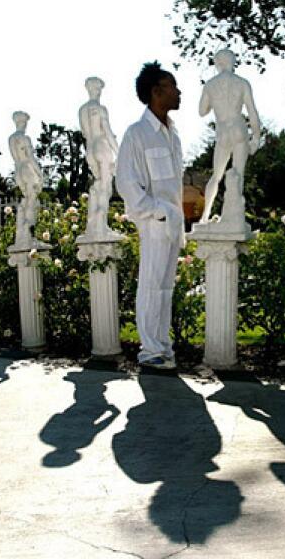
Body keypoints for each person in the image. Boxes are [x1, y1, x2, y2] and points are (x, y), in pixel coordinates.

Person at [116, 61, 183, 369]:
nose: (178, 92)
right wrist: (156, 211)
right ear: (157, 92)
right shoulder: (137, 134)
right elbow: (126, 182)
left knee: (166, 288)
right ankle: (149, 350)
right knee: (151, 285)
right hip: (155, 222)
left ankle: (162, 345)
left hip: (173, 222)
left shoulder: (172, 134)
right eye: (172, 86)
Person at [198, 49, 260, 224]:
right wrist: (256, 137)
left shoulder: (210, 85)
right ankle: (234, 216)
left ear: (218, 63)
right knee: (238, 174)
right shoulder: (242, 83)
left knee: (216, 176)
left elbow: (202, 111)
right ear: (232, 62)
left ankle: (205, 216)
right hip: (239, 129)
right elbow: (252, 113)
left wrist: (213, 100)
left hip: (223, 131)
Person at [79, 77, 120, 237]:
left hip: (90, 148)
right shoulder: (100, 108)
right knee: (105, 186)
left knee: (96, 186)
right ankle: (101, 227)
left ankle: (92, 226)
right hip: (102, 146)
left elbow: (85, 133)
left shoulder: (82, 110)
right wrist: (119, 152)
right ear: (97, 90)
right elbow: (108, 132)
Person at [9, 111, 44, 248]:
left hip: (18, 170)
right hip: (28, 170)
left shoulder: (11, 139)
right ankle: (29, 233)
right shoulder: (24, 138)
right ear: (22, 122)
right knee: (32, 201)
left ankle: (26, 233)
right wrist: (39, 174)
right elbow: (30, 158)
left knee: (27, 200)